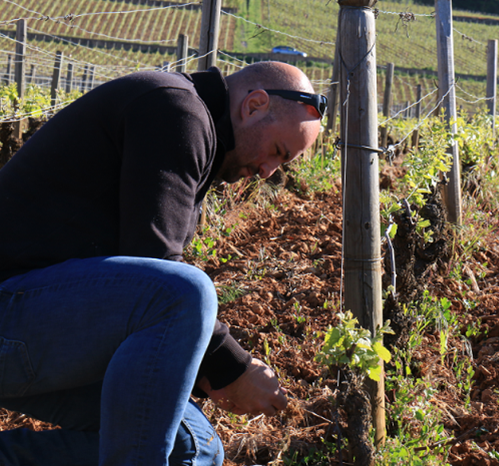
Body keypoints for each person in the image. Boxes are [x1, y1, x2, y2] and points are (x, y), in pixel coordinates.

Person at [0, 60, 324, 465]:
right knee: (185, 290)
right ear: (254, 105)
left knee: (190, 446)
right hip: (12, 318)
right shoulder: (175, 110)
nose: (266, 170)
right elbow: (155, 270)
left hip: (48, 330)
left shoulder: (193, 126)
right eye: (277, 152)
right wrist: (231, 368)